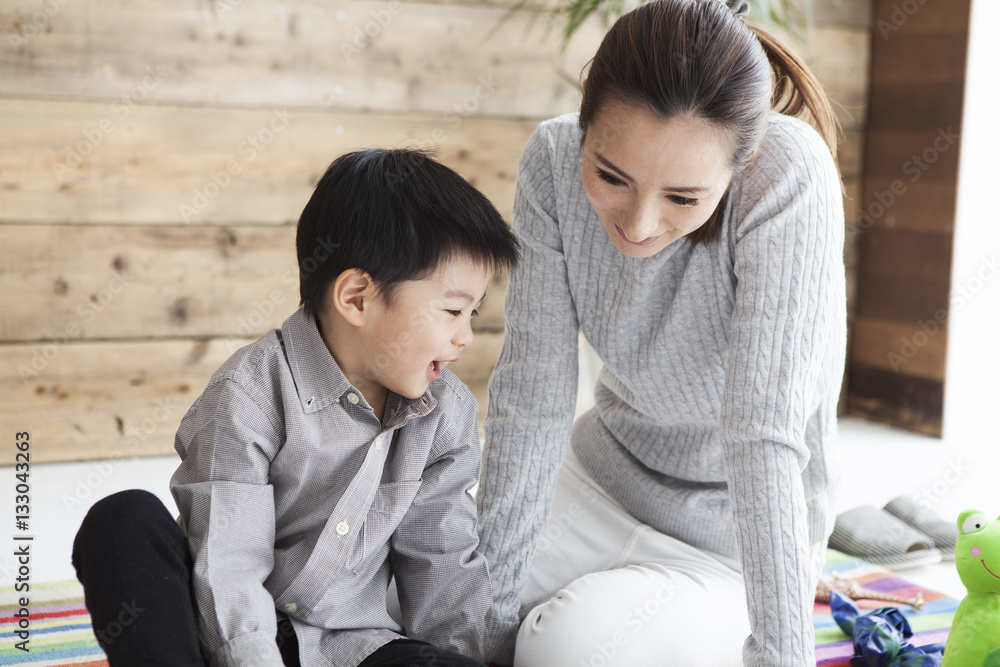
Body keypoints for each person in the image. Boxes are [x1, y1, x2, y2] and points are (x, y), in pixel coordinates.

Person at [476, 0, 847, 665]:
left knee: (564, 648)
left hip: (723, 545)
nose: (640, 224)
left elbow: (763, 434)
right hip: (594, 481)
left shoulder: (788, 176)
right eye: (611, 176)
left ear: (742, 163)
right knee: (401, 587)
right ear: (584, 125)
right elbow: (532, 398)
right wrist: (478, 627)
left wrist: (782, 654)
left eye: (684, 197)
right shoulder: (552, 160)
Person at [72, 148, 520, 667]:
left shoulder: (446, 414)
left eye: (473, 313)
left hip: (350, 647)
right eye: (451, 311)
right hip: (226, 639)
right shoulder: (248, 394)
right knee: (122, 521)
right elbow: (230, 566)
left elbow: (440, 564)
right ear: (356, 298)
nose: (466, 336)